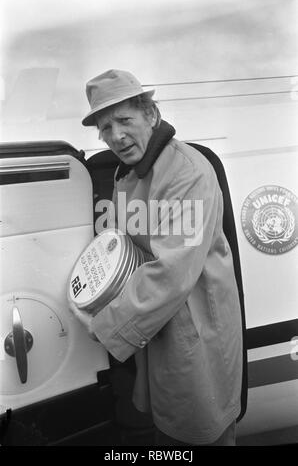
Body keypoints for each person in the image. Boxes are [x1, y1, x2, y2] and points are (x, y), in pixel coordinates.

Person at [69, 69, 243, 446]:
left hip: (196, 331)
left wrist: (105, 325)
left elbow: (171, 272)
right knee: (169, 430)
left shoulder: (188, 171)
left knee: (203, 431)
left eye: (124, 120)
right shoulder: (126, 174)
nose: (115, 136)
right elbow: (123, 249)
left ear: (150, 114)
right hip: (160, 332)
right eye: (104, 126)